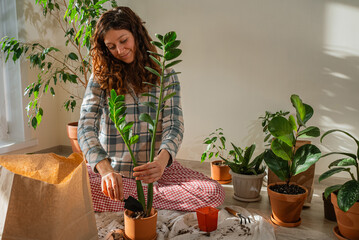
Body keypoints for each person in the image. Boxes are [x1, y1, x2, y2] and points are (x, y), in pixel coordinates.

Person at [77, 6, 224, 212]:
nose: (119, 50)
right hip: (112, 173)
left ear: (137, 34)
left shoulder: (165, 75)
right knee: (75, 189)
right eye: (111, 46)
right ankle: (147, 200)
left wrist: (162, 162)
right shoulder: (100, 77)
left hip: (156, 172)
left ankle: (135, 200)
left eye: (123, 40)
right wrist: (106, 171)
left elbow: (174, 125)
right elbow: (85, 127)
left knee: (213, 191)